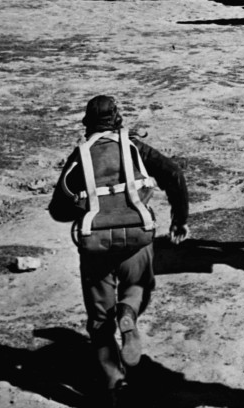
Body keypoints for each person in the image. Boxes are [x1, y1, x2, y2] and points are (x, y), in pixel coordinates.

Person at [49, 96, 189, 407]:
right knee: (138, 287)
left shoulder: (81, 155)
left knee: (100, 320)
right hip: (137, 238)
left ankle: (114, 385)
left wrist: (87, 206)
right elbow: (174, 174)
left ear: (87, 123)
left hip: (95, 245)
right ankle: (128, 313)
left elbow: (58, 210)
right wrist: (179, 220)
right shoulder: (134, 147)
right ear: (117, 119)